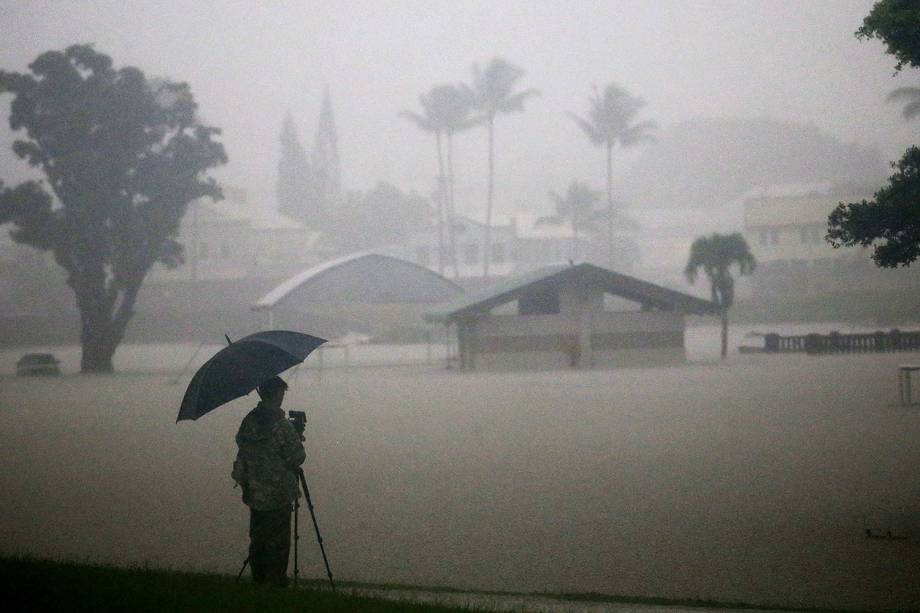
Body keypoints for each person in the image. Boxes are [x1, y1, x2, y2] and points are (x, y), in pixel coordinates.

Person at [231, 376, 305, 586]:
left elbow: (242, 443)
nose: (282, 398)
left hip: (254, 491)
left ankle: (259, 578)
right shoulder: (281, 426)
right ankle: (277, 581)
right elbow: (297, 457)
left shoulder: (249, 420)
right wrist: (296, 435)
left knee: (259, 537)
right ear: (276, 394)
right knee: (279, 541)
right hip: (277, 492)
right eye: (281, 393)